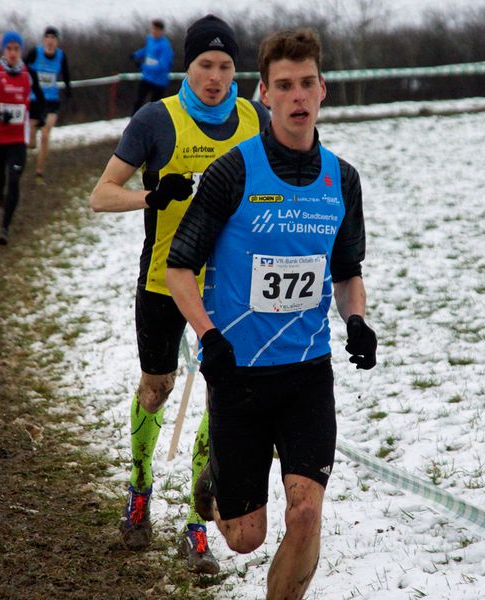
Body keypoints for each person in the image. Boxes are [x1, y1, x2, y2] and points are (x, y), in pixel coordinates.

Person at [165, 28, 377, 600]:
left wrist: (355, 319)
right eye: (284, 85)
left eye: (307, 82)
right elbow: (178, 269)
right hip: (238, 373)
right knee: (244, 538)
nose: (297, 95)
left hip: (308, 370)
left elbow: (347, 271)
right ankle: (215, 480)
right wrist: (210, 337)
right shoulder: (233, 172)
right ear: (264, 93)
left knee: (306, 513)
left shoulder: (342, 179)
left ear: (323, 89)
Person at [89, 15, 270, 575]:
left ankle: (196, 524)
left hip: (230, 283)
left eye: (224, 66)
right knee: (156, 388)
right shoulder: (155, 119)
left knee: (220, 398)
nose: (215, 77)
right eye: (203, 66)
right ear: (186, 68)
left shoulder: (254, 118)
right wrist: (152, 195)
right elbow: (100, 195)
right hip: (164, 278)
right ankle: (140, 488)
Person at [0, 31, 45, 245]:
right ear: (3, 51)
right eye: (8, 49)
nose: (12, 53)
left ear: (20, 51)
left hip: (18, 138)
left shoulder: (29, 75)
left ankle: (4, 228)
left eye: (16, 49)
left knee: (15, 179)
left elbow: (39, 101)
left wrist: (38, 120)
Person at [25, 26, 71, 184]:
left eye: (54, 38)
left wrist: (69, 92)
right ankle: (29, 144)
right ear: (44, 40)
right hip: (33, 100)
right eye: (48, 37)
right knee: (31, 143)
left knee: (45, 135)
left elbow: (66, 74)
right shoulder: (35, 53)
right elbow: (22, 68)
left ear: (57, 42)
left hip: (51, 101)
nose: (50, 41)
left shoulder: (60, 56)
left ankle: (39, 173)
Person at [130, 19, 173, 115]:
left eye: (156, 29)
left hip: (159, 81)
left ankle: (153, 127)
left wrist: (143, 67)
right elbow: (147, 50)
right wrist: (136, 55)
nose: (153, 31)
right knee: (138, 100)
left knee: (155, 107)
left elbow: (163, 66)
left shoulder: (165, 46)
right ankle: (133, 122)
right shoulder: (150, 39)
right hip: (147, 77)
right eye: (152, 29)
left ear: (161, 31)